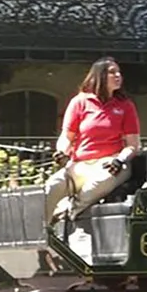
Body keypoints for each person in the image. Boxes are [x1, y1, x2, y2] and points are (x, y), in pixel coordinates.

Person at [44, 57, 141, 225]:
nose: (118, 75)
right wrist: (62, 152)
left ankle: (66, 212)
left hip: (110, 164)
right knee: (52, 186)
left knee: (96, 185)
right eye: (112, 72)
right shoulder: (80, 102)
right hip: (80, 164)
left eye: (119, 72)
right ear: (99, 76)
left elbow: (133, 145)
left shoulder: (125, 105)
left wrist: (119, 160)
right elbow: (67, 137)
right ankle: (42, 234)